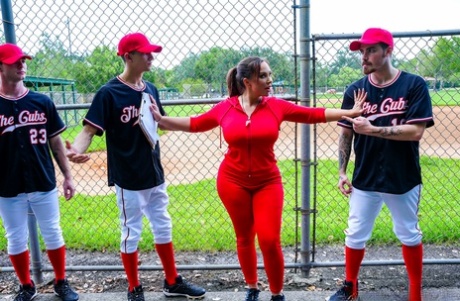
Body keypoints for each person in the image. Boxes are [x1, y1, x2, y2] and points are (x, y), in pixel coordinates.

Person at [148, 56, 366, 301]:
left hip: (267, 182)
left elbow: (312, 114)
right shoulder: (226, 107)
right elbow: (196, 123)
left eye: (269, 74)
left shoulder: (276, 106)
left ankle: (276, 294)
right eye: (263, 76)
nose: (269, 80)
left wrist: (349, 112)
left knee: (269, 239)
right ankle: (252, 288)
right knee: (243, 237)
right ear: (247, 82)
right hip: (232, 181)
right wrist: (161, 120)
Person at [65, 32, 206, 301]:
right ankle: (134, 287)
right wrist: (76, 150)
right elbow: (88, 129)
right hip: (128, 178)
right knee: (131, 233)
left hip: (154, 174)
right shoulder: (109, 93)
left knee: (163, 226)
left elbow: (160, 123)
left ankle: (172, 281)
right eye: (145, 53)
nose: (151, 57)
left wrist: (196, 125)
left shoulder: (150, 89)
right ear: (128, 56)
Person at [327, 28, 434, 301]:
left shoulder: (413, 85)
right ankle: (351, 289)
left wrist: (373, 128)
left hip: (403, 176)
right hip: (365, 176)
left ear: (388, 51)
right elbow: (346, 133)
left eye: (371, 50)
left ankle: (415, 295)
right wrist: (341, 171)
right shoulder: (356, 90)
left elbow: (416, 131)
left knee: (408, 233)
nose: (364, 57)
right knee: (355, 233)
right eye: (362, 52)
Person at [0, 43, 79, 301]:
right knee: (15, 238)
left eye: (23, 60)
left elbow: (56, 143)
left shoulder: (41, 102)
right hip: (7, 184)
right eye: (15, 61)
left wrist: (67, 176)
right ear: (1, 66)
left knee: (53, 231)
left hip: (42, 180)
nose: (22, 64)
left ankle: (61, 282)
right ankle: (26, 285)